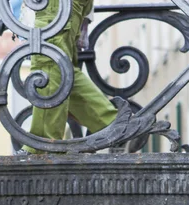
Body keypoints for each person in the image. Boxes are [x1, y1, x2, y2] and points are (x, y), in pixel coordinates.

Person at [18, 0, 119, 154]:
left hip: (56, 5)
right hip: (62, 7)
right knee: (63, 72)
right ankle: (115, 125)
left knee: (48, 64)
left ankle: (42, 146)